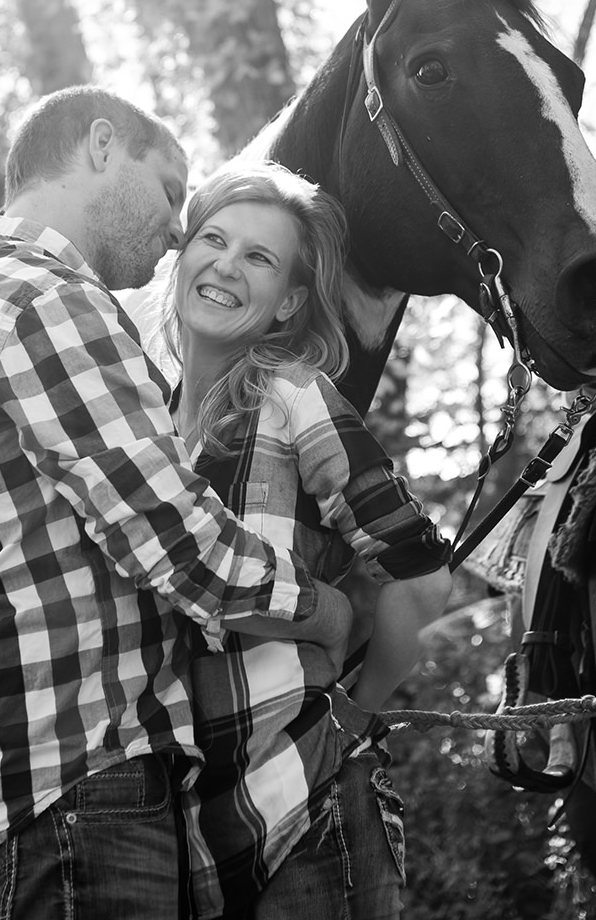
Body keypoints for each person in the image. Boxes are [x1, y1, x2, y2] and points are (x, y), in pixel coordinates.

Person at [0, 87, 354, 920]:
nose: (178, 230)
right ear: (102, 145)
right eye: (173, 192)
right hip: (68, 787)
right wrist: (324, 611)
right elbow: (176, 536)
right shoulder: (46, 300)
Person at [162, 161, 453, 920]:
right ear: (184, 254)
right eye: (214, 239)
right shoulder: (145, 430)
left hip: (311, 811)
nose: (226, 263)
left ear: (289, 300)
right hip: (190, 841)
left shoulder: (292, 396)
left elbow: (421, 576)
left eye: (258, 257)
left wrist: (358, 710)